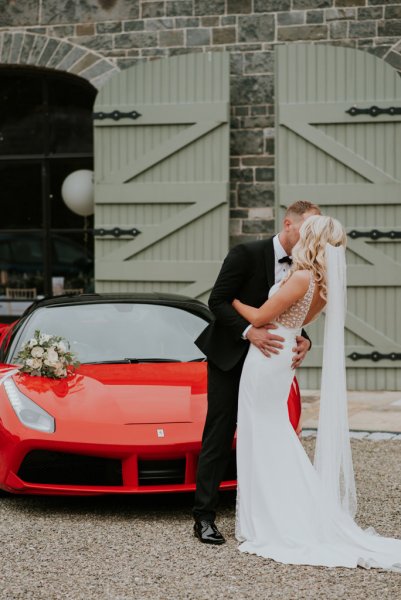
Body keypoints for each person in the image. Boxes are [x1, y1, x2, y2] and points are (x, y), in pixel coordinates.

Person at [233, 215, 401, 570]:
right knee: (270, 430)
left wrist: (232, 302)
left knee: (261, 431)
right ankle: (275, 509)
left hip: (267, 356)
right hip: (283, 354)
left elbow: (262, 317)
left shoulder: (301, 278)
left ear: (311, 240)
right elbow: (294, 323)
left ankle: (272, 517)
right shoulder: (324, 285)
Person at [193, 200, 321, 544]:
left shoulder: (306, 268)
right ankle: (204, 516)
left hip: (270, 364)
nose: (310, 235)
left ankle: (268, 509)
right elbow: (217, 300)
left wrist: (304, 340)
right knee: (219, 433)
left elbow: (290, 314)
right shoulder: (245, 254)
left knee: (268, 430)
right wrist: (249, 332)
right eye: (306, 227)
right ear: (288, 224)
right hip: (230, 355)